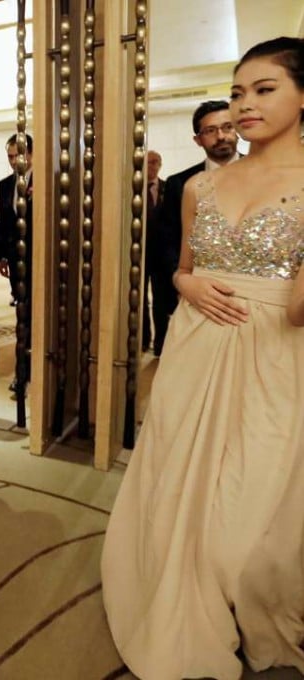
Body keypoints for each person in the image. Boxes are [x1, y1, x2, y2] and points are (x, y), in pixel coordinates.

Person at [102, 37, 304, 680]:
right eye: (239, 90)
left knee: (254, 519)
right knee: (175, 488)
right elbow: (183, 269)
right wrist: (185, 285)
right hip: (195, 345)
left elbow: (298, 310)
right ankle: (177, 597)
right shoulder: (201, 186)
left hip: (275, 354)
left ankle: (251, 608)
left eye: (264, 89)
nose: (245, 104)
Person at [156, 100, 243, 353]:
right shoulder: (181, 183)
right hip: (197, 295)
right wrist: (183, 282)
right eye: (211, 130)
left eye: (227, 127)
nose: (221, 136)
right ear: (198, 140)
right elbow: (169, 239)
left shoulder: (268, 175)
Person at [0, 133, 34, 393]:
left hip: (39, 260)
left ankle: (27, 370)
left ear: (30, 154)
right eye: (9, 156)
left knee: (34, 316)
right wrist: (2, 255)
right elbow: (4, 223)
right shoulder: (5, 184)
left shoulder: (45, 181)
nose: (13, 161)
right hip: (15, 260)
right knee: (22, 313)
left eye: (17, 156)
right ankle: (23, 368)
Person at [141, 150, 166, 353]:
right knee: (139, 299)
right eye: (148, 162)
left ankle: (160, 343)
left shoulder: (169, 189)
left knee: (160, 299)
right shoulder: (133, 190)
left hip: (161, 256)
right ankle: (142, 339)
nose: (152, 166)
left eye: (155, 162)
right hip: (138, 254)